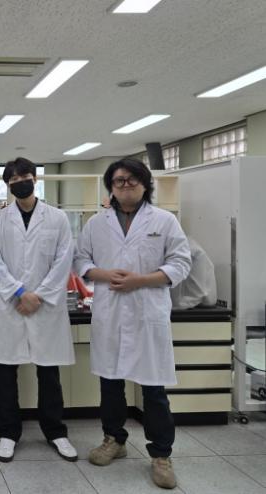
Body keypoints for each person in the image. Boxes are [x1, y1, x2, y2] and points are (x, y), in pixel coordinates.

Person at [74, 157, 191, 490]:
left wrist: (140, 280)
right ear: (111, 187)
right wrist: (103, 274)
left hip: (147, 311)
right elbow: (80, 259)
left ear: (145, 183)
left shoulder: (164, 220)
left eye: (131, 180)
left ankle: (161, 455)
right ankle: (114, 440)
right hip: (110, 312)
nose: (125, 185)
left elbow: (181, 263)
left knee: (154, 390)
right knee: (110, 384)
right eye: (118, 181)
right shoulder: (97, 223)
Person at [0, 157, 77, 463]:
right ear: (8, 185)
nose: (20, 182)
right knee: (6, 373)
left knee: (49, 373)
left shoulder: (57, 218)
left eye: (24, 176)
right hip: (10, 304)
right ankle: (7, 434)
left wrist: (39, 295)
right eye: (13, 179)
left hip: (44, 306)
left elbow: (64, 260)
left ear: (35, 179)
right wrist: (19, 292)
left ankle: (56, 432)